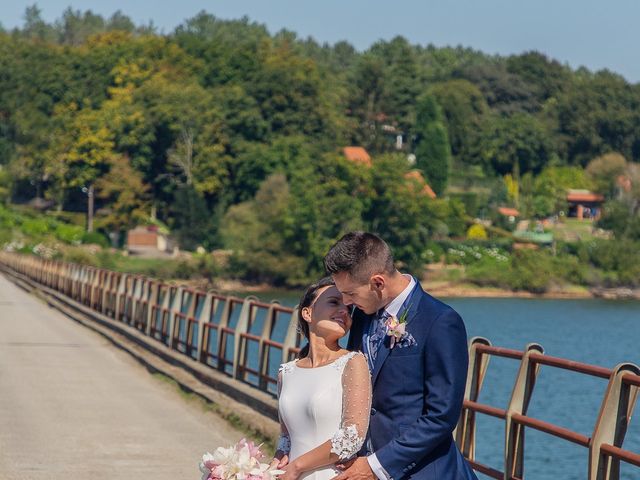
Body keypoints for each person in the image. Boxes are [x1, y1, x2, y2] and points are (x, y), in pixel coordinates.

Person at [324, 232, 478, 480]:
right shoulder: (363, 314)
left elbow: (441, 416)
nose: (345, 301)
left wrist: (375, 465)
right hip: (361, 465)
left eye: (350, 293)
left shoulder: (440, 321)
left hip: (424, 471)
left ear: (378, 283)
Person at [272, 277, 372, 480]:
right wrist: (276, 460)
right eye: (334, 302)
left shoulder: (353, 362)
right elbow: (286, 436)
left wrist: (297, 466)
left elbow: (351, 436)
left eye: (349, 308)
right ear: (307, 313)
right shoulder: (287, 372)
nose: (344, 310)